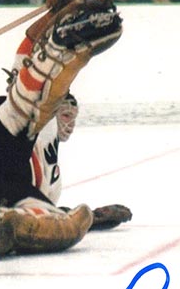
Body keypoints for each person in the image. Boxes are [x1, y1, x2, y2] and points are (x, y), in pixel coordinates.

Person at [0, 0, 124, 260]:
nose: (69, 120)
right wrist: (58, 12)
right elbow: (28, 50)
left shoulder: (53, 183)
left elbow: (46, 212)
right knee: (30, 105)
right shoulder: (44, 122)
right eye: (65, 112)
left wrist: (93, 216)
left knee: (59, 226)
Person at [29, 93, 132, 231]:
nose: (72, 124)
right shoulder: (38, 140)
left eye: (74, 118)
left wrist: (91, 218)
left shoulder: (50, 161)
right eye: (66, 116)